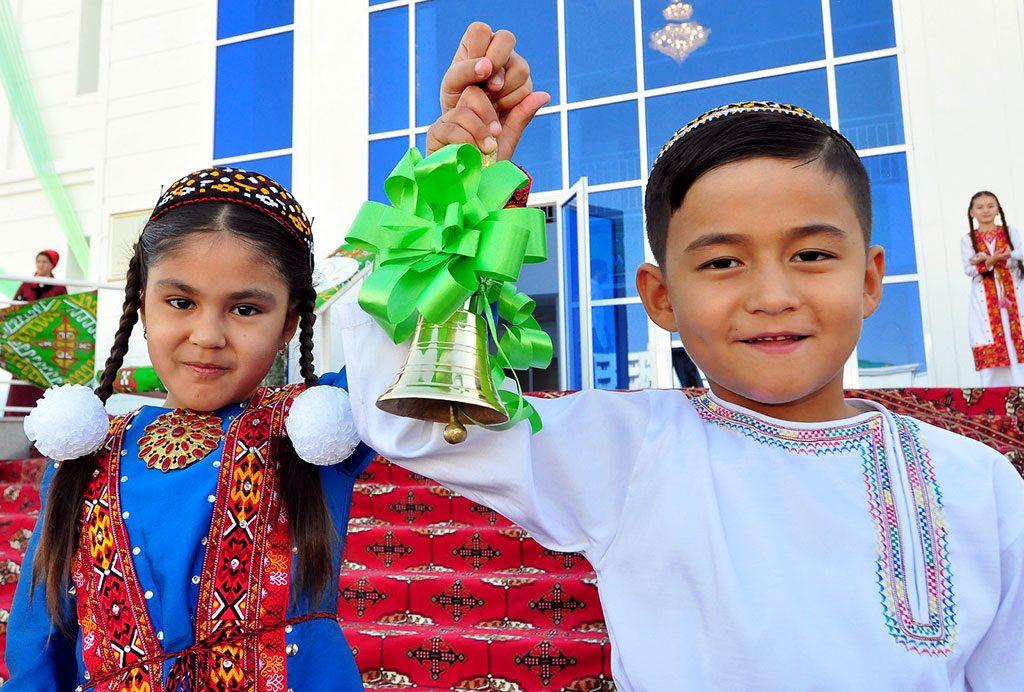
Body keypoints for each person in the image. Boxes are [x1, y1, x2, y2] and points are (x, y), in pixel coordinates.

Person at [337, 25, 1024, 691]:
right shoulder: (626, 453)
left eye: (812, 254)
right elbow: (410, 422)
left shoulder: (979, 483)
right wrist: (452, 191)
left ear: (870, 279)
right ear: (660, 298)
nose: (773, 296)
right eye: (722, 262)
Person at [5, 168, 374, 690]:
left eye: (245, 309)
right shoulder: (84, 453)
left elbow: (424, 331)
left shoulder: (314, 426)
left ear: (289, 324)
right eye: (181, 302)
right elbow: (39, 651)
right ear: (142, 305)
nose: (207, 336)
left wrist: (460, 181)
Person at [961, 191, 1024, 385]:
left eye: (990, 206)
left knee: (1017, 339)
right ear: (972, 212)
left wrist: (990, 259)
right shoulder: (967, 239)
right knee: (989, 340)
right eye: (980, 207)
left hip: (1014, 293)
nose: (985, 210)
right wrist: (995, 259)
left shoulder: (1010, 232)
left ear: (998, 209)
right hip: (985, 301)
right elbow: (969, 269)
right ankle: (995, 396)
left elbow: (1020, 254)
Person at [4, 250, 68, 417]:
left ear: (52, 265)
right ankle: (15, 414)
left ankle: (44, 417)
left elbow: (64, 312)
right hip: (25, 341)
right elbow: (14, 309)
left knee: (44, 379)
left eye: (44, 262)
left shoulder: (59, 287)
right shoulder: (26, 285)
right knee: (21, 380)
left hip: (47, 343)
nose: (41, 265)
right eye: (38, 261)